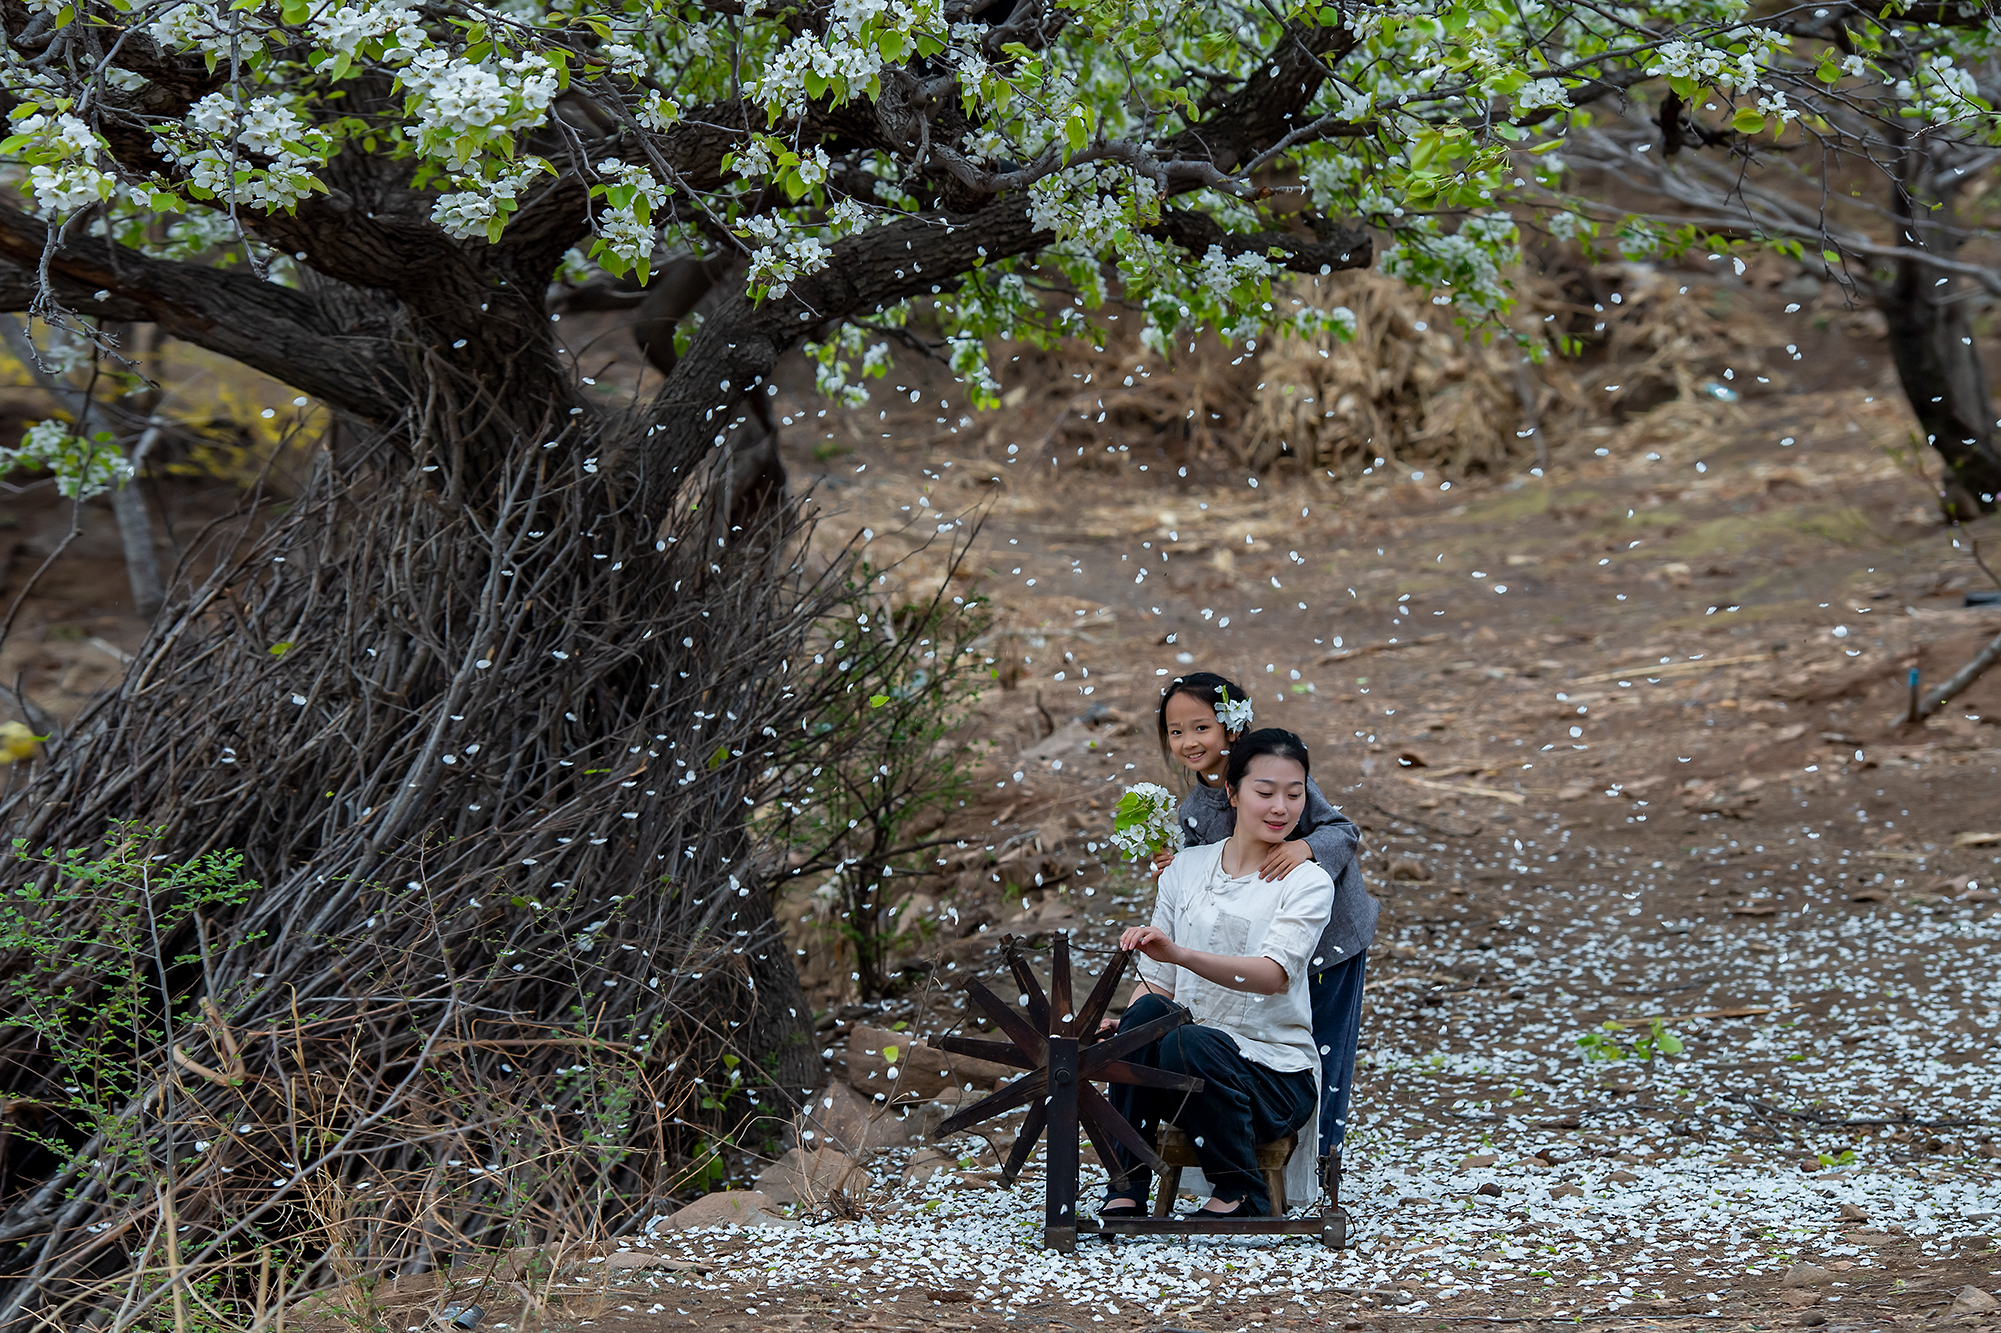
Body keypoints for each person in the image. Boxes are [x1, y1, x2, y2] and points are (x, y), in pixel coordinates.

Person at [1099, 729, 1332, 1219]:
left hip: (1273, 1077)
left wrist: (1181, 954)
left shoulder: (1308, 880)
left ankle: (1241, 1192)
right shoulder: (1185, 867)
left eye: (1294, 794)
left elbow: (1272, 976)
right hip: (1188, 1072)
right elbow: (1157, 981)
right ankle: (1127, 1182)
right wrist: (1126, 1028)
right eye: (1264, 793)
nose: (1280, 808)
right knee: (1146, 1015)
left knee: (1193, 1041)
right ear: (1232, 792)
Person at [1150, 672, 1378, 1161]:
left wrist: (1305, 847)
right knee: (1263, 1038)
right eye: (1176, 731)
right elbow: (1207, 869)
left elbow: (1342, 830)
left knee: (1325, 1047)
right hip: (1262, 941)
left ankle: (1324, 1157)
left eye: (1201, 727)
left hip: (1330, 934)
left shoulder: (1273, 771)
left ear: (1233, 726)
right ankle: (1249, 1145)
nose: (1189, 741)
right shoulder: (1193, 806)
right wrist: (1176, 868)